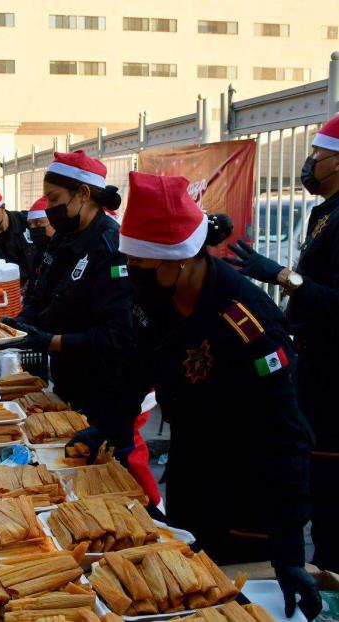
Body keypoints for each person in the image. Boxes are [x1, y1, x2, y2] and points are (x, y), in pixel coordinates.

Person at [120, 171, 320, 620]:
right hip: (192, 482)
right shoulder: (158, 296)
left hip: (245, 501)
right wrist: (109, 426)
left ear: (182, 258)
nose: (133, 276)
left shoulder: (246, 322)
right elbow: (140, 366)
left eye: (142, 266)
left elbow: (286, 438)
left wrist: (288, 552)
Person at [225, 114, 339, 574]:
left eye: (318, 154)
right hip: (313, 366)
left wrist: (280, 276)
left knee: (331, 494)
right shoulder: (323, 212)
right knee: (314, 482)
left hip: (334, 377)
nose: (310, 163)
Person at [1, 151, 141, 458]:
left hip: (103, 392)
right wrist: (20, 325)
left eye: (54, 199)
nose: (49, 208)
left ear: (84, 194)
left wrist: (51, 342)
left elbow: (117, 336)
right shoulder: (62, 239)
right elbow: (40, 295)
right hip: (66, 382)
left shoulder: (112, 248)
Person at [24, 195, 55, 293]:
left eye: (38, 223)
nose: (33, 228)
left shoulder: (64, 250)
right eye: (30, 224)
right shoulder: (37, 250)